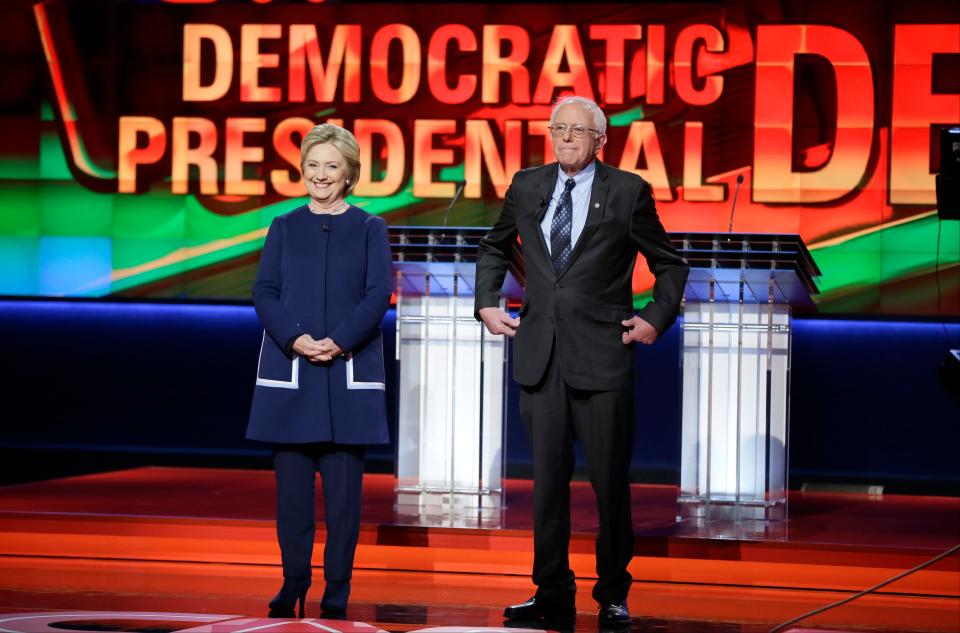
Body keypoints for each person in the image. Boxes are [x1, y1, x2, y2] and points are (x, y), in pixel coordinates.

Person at [474, 96, 689, 626]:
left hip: (603, 359)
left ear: (601, 140)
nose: (566, 138)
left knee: (609, 484)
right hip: (540, 359)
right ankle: (551, 590)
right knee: (547, 485)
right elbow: (495, 246)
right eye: (558, 128)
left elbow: (669, 264)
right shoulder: (527, 185)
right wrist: (486, 301)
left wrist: (653, 319)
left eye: (578, 131)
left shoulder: (628, 191)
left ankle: (613, 593)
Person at [246, 123, 392, 618]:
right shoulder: (284, 226)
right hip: (293, 374)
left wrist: (341, 339)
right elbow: (264, 291)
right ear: (301, 170)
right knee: (292, 499)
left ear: (350, 173)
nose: (321, 175)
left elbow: (378, 294)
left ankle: (337, 586)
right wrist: (296, 339)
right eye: (313, 165)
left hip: (346, 375)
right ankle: (293, 581)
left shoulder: (371, 227)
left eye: (332, 166)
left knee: (344, 500)